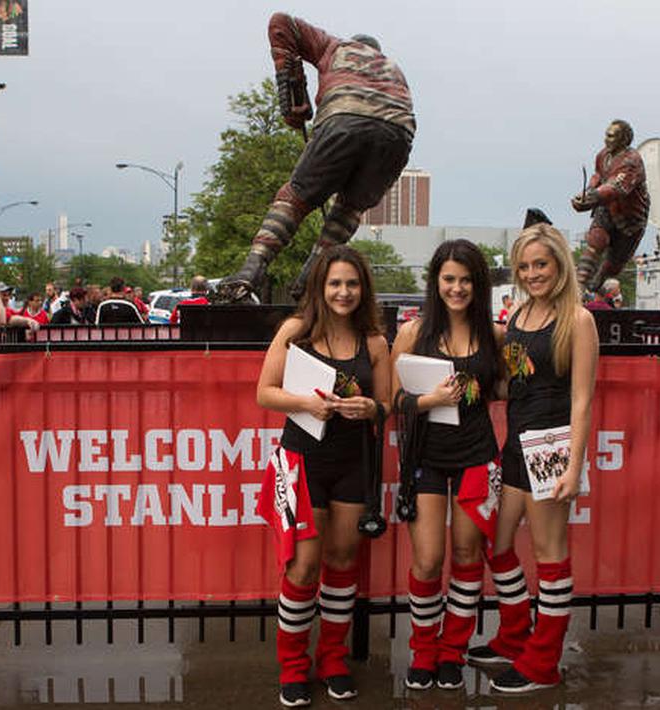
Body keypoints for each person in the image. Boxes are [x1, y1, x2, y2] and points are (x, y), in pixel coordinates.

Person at [255, 245, 391, 707]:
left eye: (352, 283)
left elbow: (386, 406)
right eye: (335, 283)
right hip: (302, 463)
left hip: (355, 462)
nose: (343, 292)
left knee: (342, 560)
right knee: (303, 566)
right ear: (320, 286)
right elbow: (265, 393)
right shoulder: (297, 331)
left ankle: (332, 660)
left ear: (363, 289)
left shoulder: (374, 341)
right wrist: (306, 404)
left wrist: (371, 407)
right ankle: (292, 666)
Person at [466, 223, 599, 694]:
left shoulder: (578, 320)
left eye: (540, 264)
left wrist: (572, 467)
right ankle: (513, 636)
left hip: (551, 448)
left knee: (550, 556)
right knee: (498, 546)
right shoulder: (519, 315)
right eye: (524, 266)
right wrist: (472, 386)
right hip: (515, 445)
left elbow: (582, 400)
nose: (532, 273)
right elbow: (512, 385)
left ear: (560, 263)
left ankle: (543, 662)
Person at [218, 13, 415, 304]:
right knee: (349, 208)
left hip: (345, 117)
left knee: (295, 198)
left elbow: (281, 24)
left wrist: (290, 91)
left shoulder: (335, 47)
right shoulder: (393, 69)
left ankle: (252, 269)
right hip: (398, 135)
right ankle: (310, 282)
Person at [390, 240, 504, 692]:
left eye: (466, 280)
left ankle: (452, 651)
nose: (457, 288)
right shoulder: (412, 333)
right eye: (449, 279)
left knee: (466, 556)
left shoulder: (494, 336)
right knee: (428, 558)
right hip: (426, 458)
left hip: (477, 455)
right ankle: (424, 650)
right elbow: (390, 401)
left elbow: (506, 389)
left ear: (478, 285)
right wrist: (429, 400)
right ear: (435, 282)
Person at [570, 120, 650, 293]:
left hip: (631, 218)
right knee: (595, 241)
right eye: (606, 134)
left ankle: (596, 284)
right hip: (607, 208)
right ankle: (578, 287)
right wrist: (587, 191)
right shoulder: (603, 156)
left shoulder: (632, 162)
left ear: (624, 139)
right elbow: (599, 175)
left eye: (611, 136)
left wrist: (592, 197)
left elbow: (617, 187)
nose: (606, 139)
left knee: (614, 264)